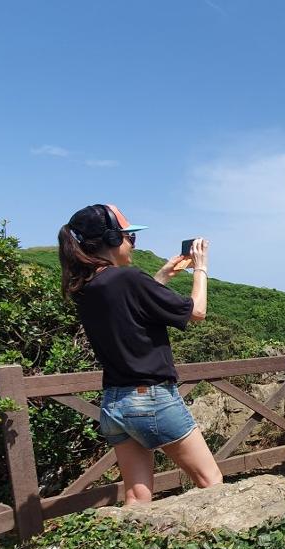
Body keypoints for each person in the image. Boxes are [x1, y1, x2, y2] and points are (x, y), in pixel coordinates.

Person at [58, 203, 222, 504]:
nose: (133, 242)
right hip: (150, 398)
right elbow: (197, 312)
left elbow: (128, 310)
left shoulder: (85, 287)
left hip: (114, 403)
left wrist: (160, 278)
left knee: (136, 497)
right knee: (211, 480)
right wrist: (201, 267)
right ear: (110, 240)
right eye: (129, 237)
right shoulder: (127, 278)